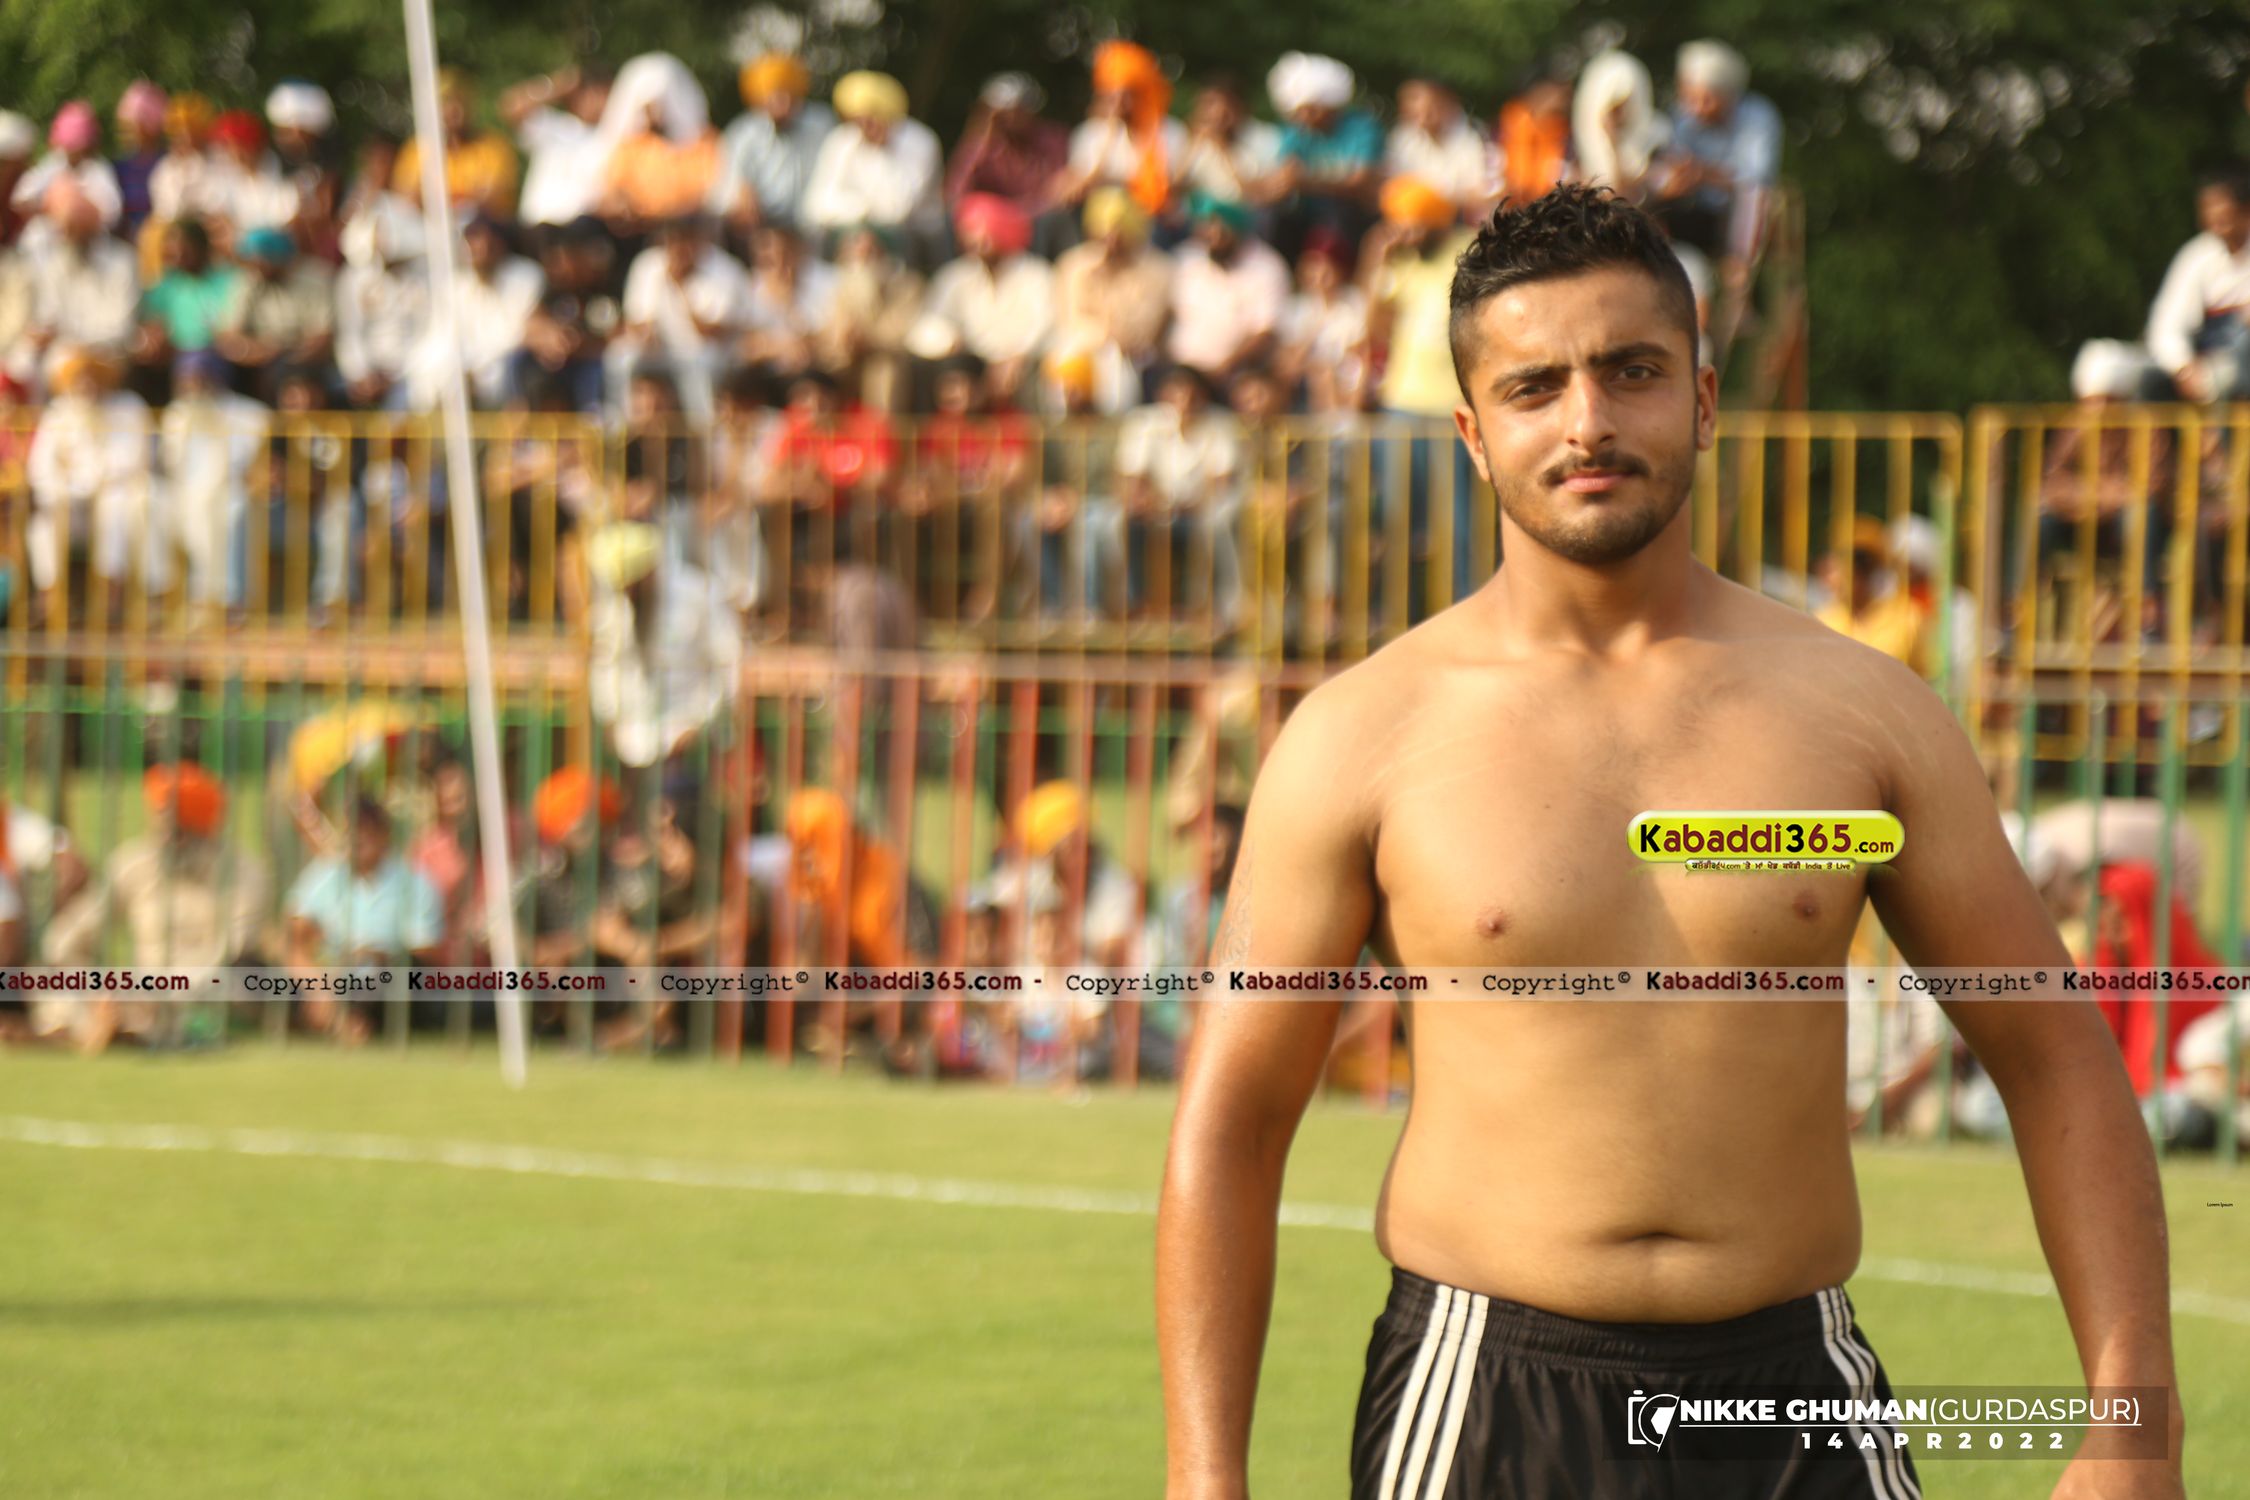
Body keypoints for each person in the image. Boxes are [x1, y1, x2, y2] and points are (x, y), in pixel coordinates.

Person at [1156, 184, 2184, 1500]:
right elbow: (1232, 1122)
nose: (1586, 421)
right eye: (1534, 388)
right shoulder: (1361, 734)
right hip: (1481, 1395)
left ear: (1701, 400)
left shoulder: (1864, 712)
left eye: (1629, 372)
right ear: (1472, 434)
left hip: (1795, 1387)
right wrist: (1202, 1480)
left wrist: (2133, 1419)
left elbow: (2055, 1057)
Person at [39, 764, 269, 1053]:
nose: (163, 837)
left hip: (203, 993)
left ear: (203, 830)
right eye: (159, 824)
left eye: (176, 830)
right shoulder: (134, 864)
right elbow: (69, 937)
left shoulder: (242, 873)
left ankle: (124, 1029)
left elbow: (234, 950)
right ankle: (106, 1025)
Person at [286, 795, 444, 1041]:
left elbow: (425, 953)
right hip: (331, 978)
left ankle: (344, 1020)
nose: (358, 838)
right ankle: (339, 1019)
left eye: (366, 830)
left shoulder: (415, 882)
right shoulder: (324, 875)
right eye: (352, 831)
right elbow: (295, 941)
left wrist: (373, 955)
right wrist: (319, 987)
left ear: (385, 835)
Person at [1654, 39, 1782, 263]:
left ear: (1730, 95)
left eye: (1707, 100)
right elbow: (1672, 161)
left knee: (1752, 197)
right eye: (1690, 98)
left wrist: (1706, 174)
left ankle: (1739, 269)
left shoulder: (1758, 117)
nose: (1697, 108)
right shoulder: (1681, 116)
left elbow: (1755, 179)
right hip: (1691, 209)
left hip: (1735, 211)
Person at [1050, 187, 1173, 414]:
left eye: (1119, 233)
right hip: (1084, 347)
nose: (1112, 241)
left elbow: (1144, 328)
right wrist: (1106, 336)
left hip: (1134, 357)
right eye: (1105, 232)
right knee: (1065, 358)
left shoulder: (1157, 269)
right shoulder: (1075, 265)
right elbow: (1072, 319)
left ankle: (1115, 423)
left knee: (1114, 363)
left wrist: (1115, 341)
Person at [801, 71, 945, 264]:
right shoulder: (842, 141)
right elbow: (816, 206)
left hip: (913, 236)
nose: (866, 127)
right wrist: (862, 212)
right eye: (859, 121)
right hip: (852, 231)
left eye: (873, 118)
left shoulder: (921, 142)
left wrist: (856, 209)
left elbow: (899, 210)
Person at [2144, 168, 2250, 404]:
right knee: (2150, 383)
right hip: (2208, 367)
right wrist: (2183, 367)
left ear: (2244, 208)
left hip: (2242, 365)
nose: (2213, 214)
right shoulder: (2197, 257)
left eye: (2219, 204)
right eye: (2207, 206)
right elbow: (2166, 325)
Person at [712, 53, 834, 237]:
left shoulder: (822, 124)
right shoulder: (743, 133)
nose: (781, 103)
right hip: (762, 228)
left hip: (813, 227)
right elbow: (727, 187)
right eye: (774, 96)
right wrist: (741, 196)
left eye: (786, 94)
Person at [502, 61, 616, 229]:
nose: (596, 100)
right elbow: (512, 106)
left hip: (581, 231)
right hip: (536, 226)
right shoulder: (555, 125)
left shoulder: (615, 138)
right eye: (589, 92)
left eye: (603, 93)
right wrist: (557, 86)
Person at [394, 68, 520, 219]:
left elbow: (493, 199)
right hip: (427, 225)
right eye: (446, 103)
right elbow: (406, 198)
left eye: (459, 102)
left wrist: (446, 202)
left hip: (477, 225)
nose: (454, 110)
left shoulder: (494, 146)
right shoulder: (417, 149)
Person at [1385, 80, 1490, 221]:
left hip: (1457, 218)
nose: (1423, 120)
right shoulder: (1404, 138)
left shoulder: (1471, 137)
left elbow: (1478, 192)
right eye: (1415, 114)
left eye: (1429, 112)